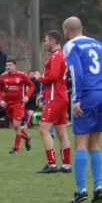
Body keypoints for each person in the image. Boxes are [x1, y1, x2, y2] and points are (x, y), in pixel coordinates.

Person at [62, 17, 102, 203]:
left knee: (81, 143)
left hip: (87, 95)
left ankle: (81, 189)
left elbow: (77, 72)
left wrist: (77, 99)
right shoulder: (99, 45)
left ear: (67, 31)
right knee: (95, 144)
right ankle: (98, 186)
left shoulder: (71, 45)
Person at [35, 31, 72, 173]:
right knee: (61, 132)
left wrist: (39, 78)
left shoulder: (56, 56)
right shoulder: (59, 56)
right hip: (60, 96)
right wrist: (43, 93)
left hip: (55, 98)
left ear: (52, 41)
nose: (45, 43)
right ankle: (66, 165)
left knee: (44, 129)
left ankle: (52, 164)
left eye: (45, 40)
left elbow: (54, 76)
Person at [0, 60, 35, 154]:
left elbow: (32, 86)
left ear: (14, 66)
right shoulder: (3, 76)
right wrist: (1, 100)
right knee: (15, 126)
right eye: (6, 65)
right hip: (8, 104)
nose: (8, 67)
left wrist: (27, 96)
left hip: (19, 103)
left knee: (17, 125)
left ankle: (16, 149)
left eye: (10, 65)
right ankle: (27, 137)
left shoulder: (22, 75)